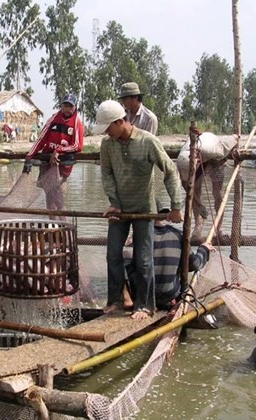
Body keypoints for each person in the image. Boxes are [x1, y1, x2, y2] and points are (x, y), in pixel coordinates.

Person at [93, 100, 183, 320]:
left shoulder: (147, 141)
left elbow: (170, 171)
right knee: (112, 254)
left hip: (144, 208)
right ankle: (115, 300)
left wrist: (176, 206)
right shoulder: (108, 145)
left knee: (143, 258)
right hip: (119, 209)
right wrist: (113, 201)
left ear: (120, 122)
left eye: (108, 128)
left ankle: (144, 305)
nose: (107, 133)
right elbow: (107, 175)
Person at [124, 209, 215, 311]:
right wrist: (203, 249)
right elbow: (194, 264)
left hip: (143, 295)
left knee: (125, 254)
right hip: (169, 294)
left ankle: (126, 297)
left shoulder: (139, 235)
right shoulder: (178, 234)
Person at [22, 93, 84, 216]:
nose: (67, 109)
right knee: (49, 198)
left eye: (70, 106)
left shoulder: (77, 122)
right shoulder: (53, 119)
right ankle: (52, 227)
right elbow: (41, 139)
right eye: (65, 106)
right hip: (47, 164)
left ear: (74, 107)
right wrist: (29, 156)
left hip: (62, 167)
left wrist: (59, 150)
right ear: (61, 106)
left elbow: (78, 146)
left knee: (59, 198)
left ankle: (64, 229)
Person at [176, 129, 239, 240]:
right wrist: (199, 204)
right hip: (196, 161)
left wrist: (234, 138)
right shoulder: (181, 161)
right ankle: (198, 226)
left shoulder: (214, 151)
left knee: (218, 194)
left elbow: (235, 137)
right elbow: (187, 187)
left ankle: (219, 228)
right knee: (195, 191)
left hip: (215, 160)